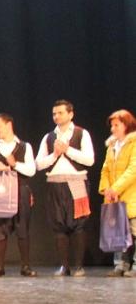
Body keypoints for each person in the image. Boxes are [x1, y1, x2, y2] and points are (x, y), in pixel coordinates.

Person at [35, 100, 95, 277]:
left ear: (70, 114)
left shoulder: (81, 133)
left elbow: (89, 160)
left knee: (78, 224)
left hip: (76, 182)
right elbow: (38, 164)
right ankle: (64, 266)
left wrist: (67, 150)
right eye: (54, 113)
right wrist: (55, 154)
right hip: (55, 184)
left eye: (60, 113)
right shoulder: (48, 137)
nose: (56, 116)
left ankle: (79, 266)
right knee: (59, 225)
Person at [0, 113, 37, 277]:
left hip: (20, 190)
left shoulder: (25, 146)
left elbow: (31, 170)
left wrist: (14, 165)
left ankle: (25, 266)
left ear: (9, 125)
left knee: (22, 227)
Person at [99, 109, 136, 277]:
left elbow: (133, 169)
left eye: (116, 125)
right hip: (115, 196)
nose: (112, 128)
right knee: (119, 231)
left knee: (134, 231)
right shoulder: (112, 146)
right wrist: (107, 189)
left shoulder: (134, 143)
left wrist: (116, 188)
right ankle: (121, 265)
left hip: (132, 194)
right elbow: (105, 170)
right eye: (112, 126)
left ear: (126, 125)